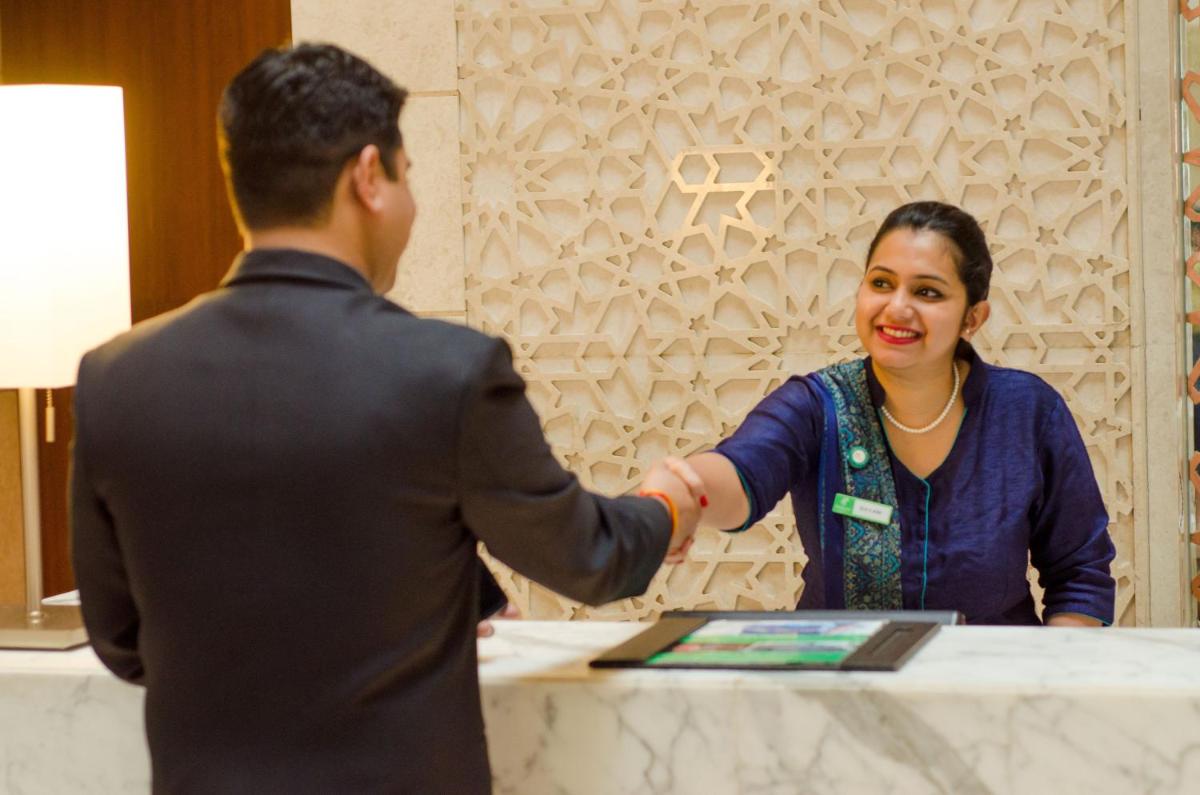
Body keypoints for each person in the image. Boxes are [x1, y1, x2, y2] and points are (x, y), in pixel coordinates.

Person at [69, 43, 701, 794]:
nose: (412, 205)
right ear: (369, 176)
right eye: (408, 177)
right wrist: (666, 504)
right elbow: (588, 556)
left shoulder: (114, 376)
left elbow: (120, 638)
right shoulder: (446, 371)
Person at [655, 201, 1116, 625]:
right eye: (881, 283)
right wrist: (679, 492)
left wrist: (1052, 687)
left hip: (991, 687)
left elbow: (1080, 574)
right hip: (842, 685)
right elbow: (740, 474)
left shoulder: (1027, 412)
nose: (897, 308)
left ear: (973, 318)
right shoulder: (818, 405)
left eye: (927, 292)